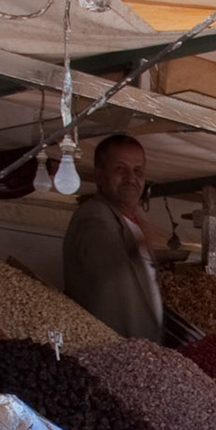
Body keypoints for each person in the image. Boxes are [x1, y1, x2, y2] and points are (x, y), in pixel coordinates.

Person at [60, 134, 167, 341]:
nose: (131, 178)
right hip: (109, 349)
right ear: (99, 175)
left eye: (138, 171)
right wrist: (142, 239)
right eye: (120, 169)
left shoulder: (132, 224)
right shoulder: (94, 214)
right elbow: (103, 260)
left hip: (140, 351)